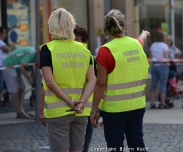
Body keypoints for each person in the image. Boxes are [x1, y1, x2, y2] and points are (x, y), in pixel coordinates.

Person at [90, 9, 150, 152]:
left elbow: (100, 84)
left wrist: (94, 110)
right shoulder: (136, 44)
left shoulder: (105, 51)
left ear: (107, 30)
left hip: (114, 109)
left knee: (115, 147)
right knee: (137, 144)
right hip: (137, 106)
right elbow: (143, 38)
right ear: (124, 27)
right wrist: (145, 32)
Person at [40, 8, 96, 152]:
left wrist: (69, 101)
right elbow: (92, 80)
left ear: (51, 26)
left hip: (58, 111)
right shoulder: (84, 50)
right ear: (71, 25)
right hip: (81, 111)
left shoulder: (48, 49)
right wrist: (82, 101)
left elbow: (49, 81)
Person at [2, 46, 35, 118]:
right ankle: (19, 112)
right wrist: (29, 78)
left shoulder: (35, 53)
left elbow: (32, 67)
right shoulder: (32, 53)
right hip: (9, 65)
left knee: (22, 86)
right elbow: (21, 66)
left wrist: (32, 77)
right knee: (14, 89)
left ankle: (21, 109)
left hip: (15, 66)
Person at [149, 31, 169, 109]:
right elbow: (166, 56)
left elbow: (150, 56)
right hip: (162, 65)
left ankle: (152, 103)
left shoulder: (152, 45)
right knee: (163, 86)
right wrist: (168, 63)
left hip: (154, 65)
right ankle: (163, 103)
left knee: (153, 85)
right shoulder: (165, 46)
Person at [0, 27, 10, 108]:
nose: (5, 34)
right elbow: (7, 50)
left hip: (2, 66)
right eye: (4, 32)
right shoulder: (0, 42)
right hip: (2, 66)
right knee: (4, 85)